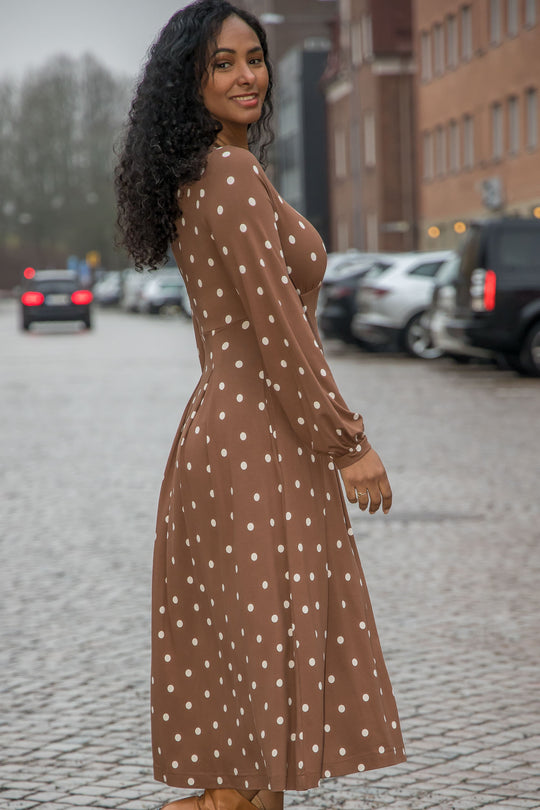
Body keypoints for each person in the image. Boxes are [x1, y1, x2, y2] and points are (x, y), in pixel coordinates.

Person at [115, 2, 406, 809]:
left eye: (255, 58)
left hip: (224, 436)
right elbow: (281, 331)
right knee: (250, 764)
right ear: (191, 80)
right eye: (222, 63)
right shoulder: (230, 174)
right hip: (260, 447)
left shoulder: (204, 172)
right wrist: (348, 443)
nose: (248, 75)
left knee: (250, 736)